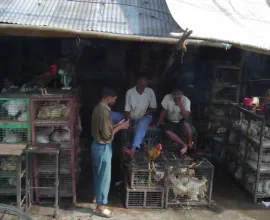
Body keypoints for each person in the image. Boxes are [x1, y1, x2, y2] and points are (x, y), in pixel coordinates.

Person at [91, 87, 129, 218]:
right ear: (108, 97)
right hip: (103, 147)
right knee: (104, 178)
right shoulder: (105, 112)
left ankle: (97, 197)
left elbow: (103, 129)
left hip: (96, 145)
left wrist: (116, 124)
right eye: (114, 98)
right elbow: (107, 136)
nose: (114, 100)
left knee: (98, 175)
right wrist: (121, 127)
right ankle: (100, 207)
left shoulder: (97, 108)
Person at [124, 73, 157, 159]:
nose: (148, 81)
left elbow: (153, 108)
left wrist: (144, 113)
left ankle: (133, 150)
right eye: (145, 79)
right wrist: (129, 120)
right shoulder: (130, 92)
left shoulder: (150, 92)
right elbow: (127, 109)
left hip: (145, 117)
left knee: (141, 125)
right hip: (133, 117)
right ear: (139, 81)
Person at [156, 87, 193, 154]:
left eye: (179, 94)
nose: (177, 96)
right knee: (166, 130)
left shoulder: (186, 100)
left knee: (187, 124)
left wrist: (181, 105)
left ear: (182, 94)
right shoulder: (167, 97)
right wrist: (158, 122)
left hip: (181, 120)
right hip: (170, 120)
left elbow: (186, 116)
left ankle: (190, 144)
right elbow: (163, 112)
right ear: (172, 94)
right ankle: (184, 144)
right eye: (175, 94)